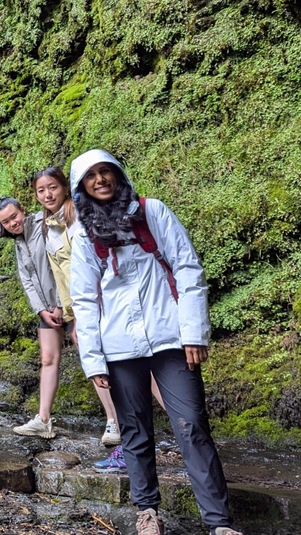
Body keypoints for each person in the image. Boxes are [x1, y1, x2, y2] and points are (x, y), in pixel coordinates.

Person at [69, 149, 241, 535]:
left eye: (106, 171)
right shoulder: (82, 234)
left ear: (118, 174)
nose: (100, 180)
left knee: (192, 424)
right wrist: (93, 361)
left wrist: (193, 333)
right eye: (91, 176)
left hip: (170, 339)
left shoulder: (153, 212)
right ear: (81, 186)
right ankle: (147, 511)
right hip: (118, 347)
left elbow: (187, 267)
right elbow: (84, 298)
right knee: (134, 429)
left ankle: (219, 523)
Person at [32, 167, 121, 446]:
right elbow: (60, 275)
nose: (48, 194)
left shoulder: (79, 218)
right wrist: (67, 312)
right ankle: (115, 421)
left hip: (100, 305)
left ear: (65, 188)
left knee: (126, 363)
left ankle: (128, 422)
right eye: (41, 190)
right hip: (78, 310)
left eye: (53, 187)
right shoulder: (48, 224)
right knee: (98, 365)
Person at [0, 195, 62, 439]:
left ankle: (114, 421)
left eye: (14, 216)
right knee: (48, 360)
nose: (12, 223)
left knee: (93, 358)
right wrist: (41, 310)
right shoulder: (18, 242)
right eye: (6, 221)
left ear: (23, 210)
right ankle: (43, 420)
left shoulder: (44, 226)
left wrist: (62, 304)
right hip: (46, 309)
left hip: (68, 304)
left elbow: (62, 265)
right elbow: (27, 281)